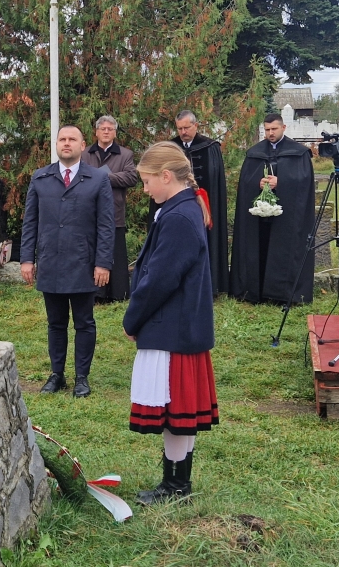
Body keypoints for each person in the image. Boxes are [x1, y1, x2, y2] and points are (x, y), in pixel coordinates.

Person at [124, 142, 217, 505]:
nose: (144, 189)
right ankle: (177, 483)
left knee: (175, 413)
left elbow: (160, 279)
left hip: (172, 328)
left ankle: (175, 487)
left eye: (147, 181)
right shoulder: (180, 207)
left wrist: (133, 319)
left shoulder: (178, 216)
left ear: (166, 176)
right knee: (180, 412)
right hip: (180, 326)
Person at [20, 125, 114, 398]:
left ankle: (82, 377)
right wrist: (27, 259)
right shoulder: (40, 178)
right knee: (55, 322)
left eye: (72, 139)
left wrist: (103, 263)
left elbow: (106, 226)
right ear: (56, 144)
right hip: (51, 261)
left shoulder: (97, 179)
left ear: (83, 145)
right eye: (62, 139)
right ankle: (57, 374)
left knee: (84, 322)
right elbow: (31, 223)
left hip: (84, 263)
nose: (66, 143)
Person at [229, 113, 315, 304]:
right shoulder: (255, 152)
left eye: (274, 129)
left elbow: (305, 182)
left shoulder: (298, 152)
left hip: (288, 216)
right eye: (267, 130)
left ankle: (281, 294)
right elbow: (246, 182)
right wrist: (258, 184)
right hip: (259, 217)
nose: (270, 133)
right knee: (258, 246)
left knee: (284, 249)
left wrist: (281, 182)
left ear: (283, 128)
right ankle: (255, 291)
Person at [170, 110, 229, 296]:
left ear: (196, 126)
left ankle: (208, 284)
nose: (183, 132)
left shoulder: (210, 147)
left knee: (205, 240)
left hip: (205, 203)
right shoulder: (171, 147)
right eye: (179, 128)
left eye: (187, 127)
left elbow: (215, 180)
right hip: (178, 202)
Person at [80, 115, 138, 302]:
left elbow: (131, 178)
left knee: (116, 253)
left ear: (115, 132)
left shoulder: (125, 154)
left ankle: (118, 294)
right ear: (96, 132)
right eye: (102, 129)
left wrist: (103, 177)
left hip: (114, 211)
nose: (106, 132)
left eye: (110, 129)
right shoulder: (85, 154)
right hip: (88, 211)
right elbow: (79, 176)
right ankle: (95, 294)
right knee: (91, 253)